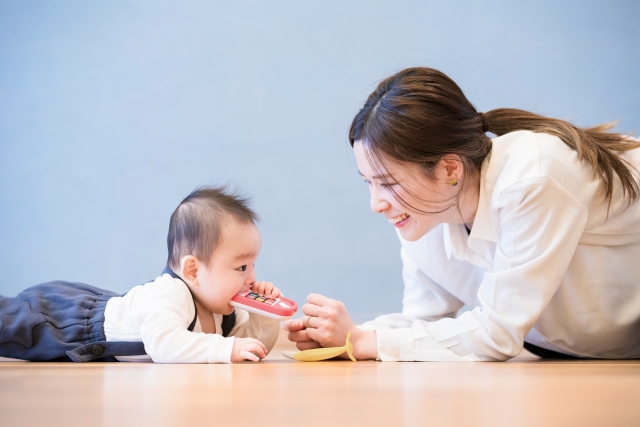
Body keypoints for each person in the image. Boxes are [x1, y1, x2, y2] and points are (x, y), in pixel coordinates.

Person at [285, 67, 640, 361]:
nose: (376, 204)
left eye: (389, 183)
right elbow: (422, 322)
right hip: (584, 354)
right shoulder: (426, 214)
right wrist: (350, 337)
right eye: (369, 183)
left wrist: (366, 343)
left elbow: (496, 334)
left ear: (449, 170)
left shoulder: (531, 177)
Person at [0, 185, 281, 363]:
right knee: (11, 323)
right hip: (64, 321)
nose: (251, 278)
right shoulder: (170, 294)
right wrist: (225, 350)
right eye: (242, 267)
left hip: (106, 309)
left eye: (253, 264)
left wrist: (262, 316)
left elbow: (252, 346)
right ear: (193, 270)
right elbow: (164, 345)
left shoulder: (221, 304)